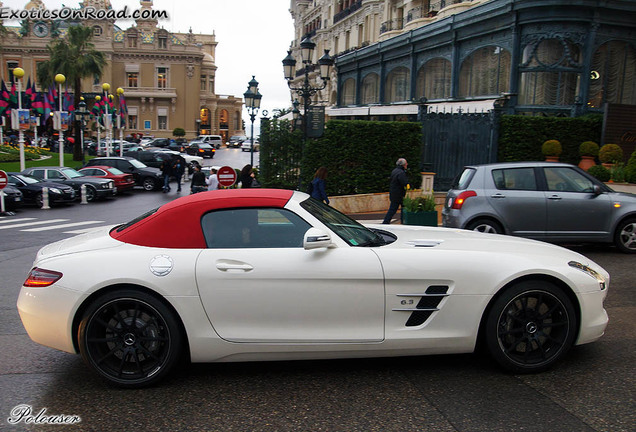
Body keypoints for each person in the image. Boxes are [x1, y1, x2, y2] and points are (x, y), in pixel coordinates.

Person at [382, 158, 409, 224]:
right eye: (406, 164)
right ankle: (386, 222)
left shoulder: (395, 171)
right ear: (403, 165)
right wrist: (407, 185)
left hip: (394, 193)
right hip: (399, 194)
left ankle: (401, 221)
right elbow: (403, 182)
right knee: (395, 208)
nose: (407, 165)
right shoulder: (401, 173)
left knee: (399, 208)